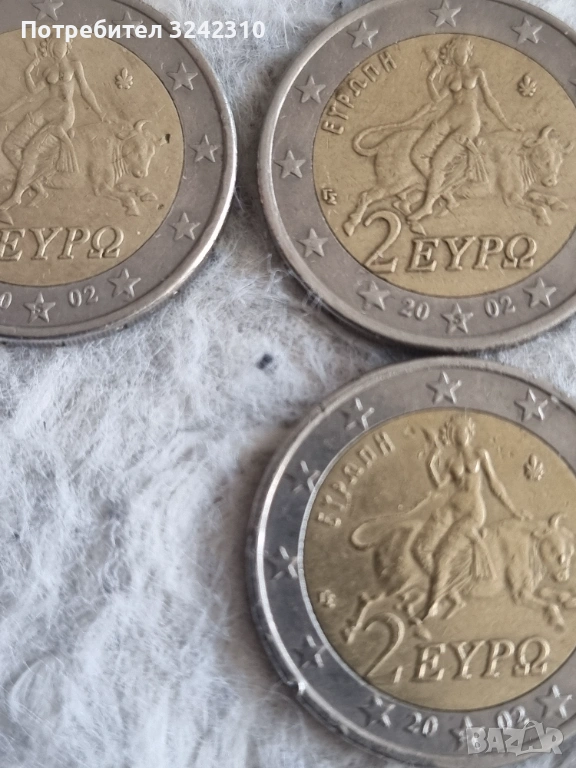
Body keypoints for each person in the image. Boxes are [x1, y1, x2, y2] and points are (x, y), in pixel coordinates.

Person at [411, 414, 527, 619]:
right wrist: (432, 460)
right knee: (421, 548)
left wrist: (513, 510)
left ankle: (434, 602)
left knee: (442, 555)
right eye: (456, 431)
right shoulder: (451, 461)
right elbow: (440, 485)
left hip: (472, 512)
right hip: (451, 508)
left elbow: (494, 483)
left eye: (463, 430)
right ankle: (450, 587)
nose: (459, 435)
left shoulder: (480, 454)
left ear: (470, 432)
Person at [408, 37, 522, 222]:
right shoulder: (450, 78)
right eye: (456, 52)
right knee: (417, 153)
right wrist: (430, 78)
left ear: (469, 53)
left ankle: (428, 205)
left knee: (438, 162)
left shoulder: (477, 73)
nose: (459, 55)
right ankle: (445, 193)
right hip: (449, 118)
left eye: (462, 51)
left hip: (468, 123)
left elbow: (489, 99)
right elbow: (436, 101)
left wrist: (506, 123)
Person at [0, 36, 106, 221]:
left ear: (67, 46)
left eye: (61, 43)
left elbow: (85, 90)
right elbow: (31, 94)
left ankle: (15, 197)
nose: (57, 47)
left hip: (62, 116)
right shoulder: (48, 70)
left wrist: (100, 112)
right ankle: (38, 186)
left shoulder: (75, 65)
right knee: (10, 145)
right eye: (53, 44)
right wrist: (27, 73)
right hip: (43, 112)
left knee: (31, 151)